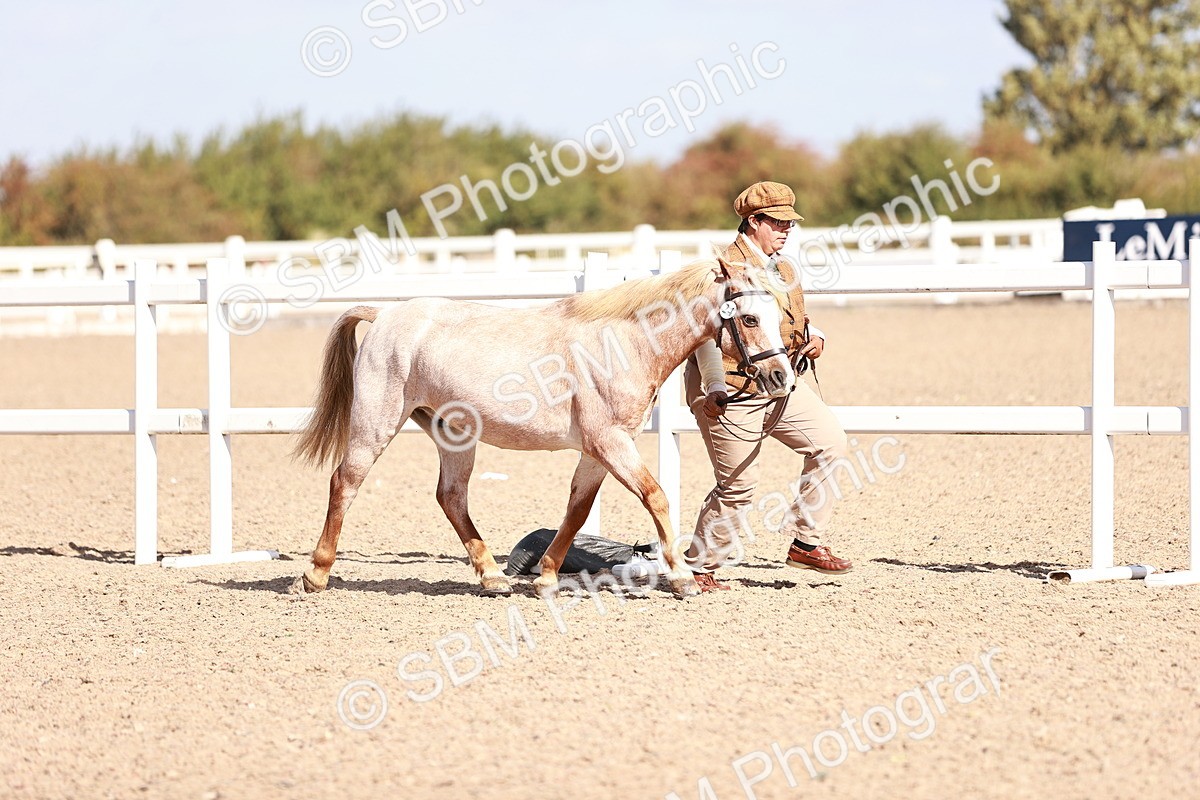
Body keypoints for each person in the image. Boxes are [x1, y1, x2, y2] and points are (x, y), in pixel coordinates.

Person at [684, 180, 852, 592]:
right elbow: (705, 337)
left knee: (831, 443)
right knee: (738, 486)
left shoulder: (785, 268)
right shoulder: (719, 270)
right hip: (733, 390)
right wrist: (713, 386)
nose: (786, 230)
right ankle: (697, 567)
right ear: (752, 221)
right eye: (776, 222)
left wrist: (818, 336)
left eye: (789, 223)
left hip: (781, 384)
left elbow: (787, 320)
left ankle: (806, 543)